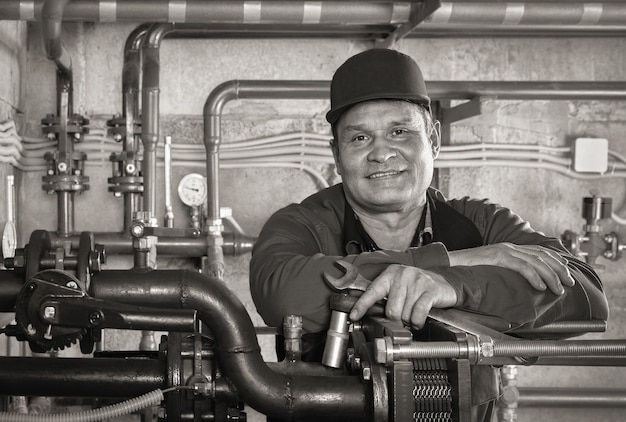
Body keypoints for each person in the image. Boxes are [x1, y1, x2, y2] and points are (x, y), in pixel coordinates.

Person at [249, 48, 609, 420]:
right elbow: (282, 294)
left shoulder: (481, 223)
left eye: (399, 132)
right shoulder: (302, 224)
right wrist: (447, 261)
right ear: (337, 155)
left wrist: (455, 286)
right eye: (359, 139)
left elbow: (588, 297)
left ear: (434, 140)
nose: (381, 153)